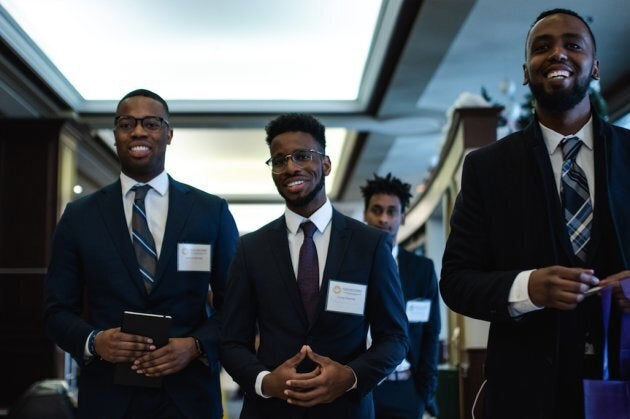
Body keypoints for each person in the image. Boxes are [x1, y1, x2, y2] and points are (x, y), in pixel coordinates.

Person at [440, 8, 630, 419]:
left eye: (572, 45)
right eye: (542, 48)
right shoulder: (486, 168)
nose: (557, 54)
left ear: (594, 66)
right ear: (527, 72)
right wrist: (527, 289)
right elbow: (455, 282)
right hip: (526, 393)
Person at [43, 89, 239, 418]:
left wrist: (196, 346)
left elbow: (235, 305)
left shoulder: (210, 211)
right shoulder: (79, 216)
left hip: (189, 396)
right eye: (126, 123)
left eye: (151, 123)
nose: (138, 131)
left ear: (169, 133)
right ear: (115, 133)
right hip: (108, 397)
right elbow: (56, 311)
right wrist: (95, 341)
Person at [220, 113, 409, 418]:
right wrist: (266, 382)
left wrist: (350, 377)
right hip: (270, 410)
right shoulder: (250, 248)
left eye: (303, 156)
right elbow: (231, 341)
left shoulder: (370, 244)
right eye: (279, 160)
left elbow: (395, 337)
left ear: (326, 163)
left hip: (346, 409)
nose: (291, 166)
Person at [361, 173, 441, 419]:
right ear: (365, 214)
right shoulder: (347, 264)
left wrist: (423, 393)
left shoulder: (421, 269)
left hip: (406, 389)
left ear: (402, 217)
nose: (384, 218)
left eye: (391, 211)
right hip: (359, 389)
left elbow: (430, 332)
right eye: (377, 210)